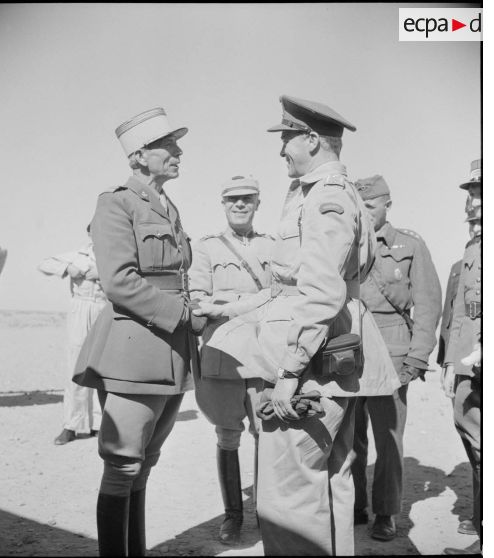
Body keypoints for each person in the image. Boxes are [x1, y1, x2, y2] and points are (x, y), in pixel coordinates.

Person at [194, 95, 400, 556]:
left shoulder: (326, 197)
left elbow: (321, 292)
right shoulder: (332, 194)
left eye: (286, 138)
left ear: (310, 139)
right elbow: (290, 288)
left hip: (309, 369)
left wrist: (289, 372)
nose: (281, 149)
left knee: (288, 502)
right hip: (328, 362)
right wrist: (231, 309)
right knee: (329, 487)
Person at [72, 107, 206, 557]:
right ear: (139, 156)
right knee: (123, 466)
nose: (178, 151)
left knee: (144, 464)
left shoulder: (167, 205)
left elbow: (177, 276)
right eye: (168, 145)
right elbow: (119, 282)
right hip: (133, 351)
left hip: (172, 351)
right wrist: (184, 316)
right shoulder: (116, 203)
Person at [351, 175, 442, 541]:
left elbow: (428, 304)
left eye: (370, 206)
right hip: (351, 349)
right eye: (359, 207)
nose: (364, 213)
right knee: (350, 437)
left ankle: (386, 513)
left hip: (392, 351)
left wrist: (417, 358)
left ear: (387, 204)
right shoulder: (346, 244)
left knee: (388, 439)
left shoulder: (409, 244)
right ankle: (355, 504)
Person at [188, 175, 274, 544]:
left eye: (247, 199)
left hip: (263, 352)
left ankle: (269, 515)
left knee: (267, 434)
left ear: (258, 204)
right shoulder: (206, 247)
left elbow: (279, 293)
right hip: (223, 353)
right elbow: (197, 298)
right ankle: (233, 516)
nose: (240, 205)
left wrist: (228, 304)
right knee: (227, 435)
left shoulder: (273, 245)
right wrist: (247, 305)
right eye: (233, 199)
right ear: (223, 204)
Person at [442, 159, 482, 555]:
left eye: (481, 192)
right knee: (476, 443)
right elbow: (461, 313)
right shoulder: (473, 247)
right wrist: (452, 363)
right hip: (472, 364)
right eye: (472, 193)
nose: (473, 201)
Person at [37, 228, 106, 445]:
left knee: (102, 367)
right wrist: (68, 268)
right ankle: (72, 425)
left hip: (104, 308)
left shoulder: (113, 255)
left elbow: (128, 275)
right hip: (80, 308)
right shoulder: (78, 255)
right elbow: (45, 263)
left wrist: (102, 273)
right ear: (90, 233)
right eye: (96, 230)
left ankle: (99, 424)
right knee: (76, 366)